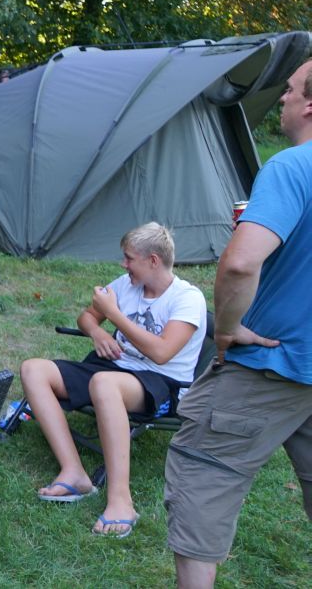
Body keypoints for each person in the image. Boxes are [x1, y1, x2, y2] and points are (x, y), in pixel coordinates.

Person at [166, 60, 312, 588]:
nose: (282, 100)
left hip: (271, 367)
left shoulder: (293, 167)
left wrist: (226, 327)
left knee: (203, 480)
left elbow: (240, 264)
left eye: (290, 90)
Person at [20, 222, 207, 538]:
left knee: (104, 383)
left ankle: (121, 501)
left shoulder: (188, 298)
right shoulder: (126, 284)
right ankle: (74, 472)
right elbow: (87, 316)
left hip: (161, 383)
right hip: (112, 368)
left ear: (153, 260)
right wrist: (97, 331)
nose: (123, 264)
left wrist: (115, 315)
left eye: (129, 258)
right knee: (32, 369)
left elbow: (162, 353)